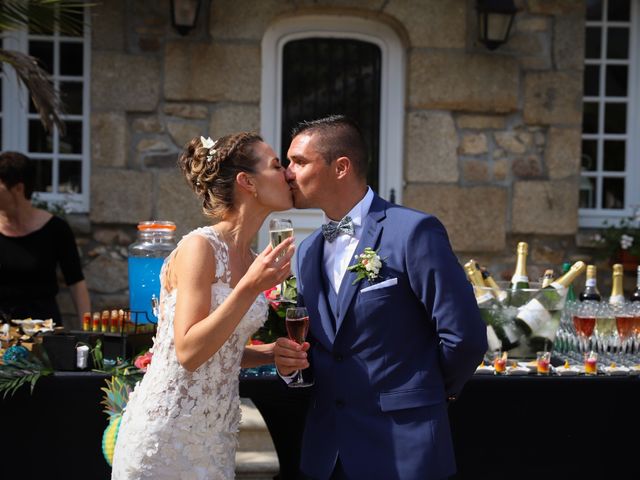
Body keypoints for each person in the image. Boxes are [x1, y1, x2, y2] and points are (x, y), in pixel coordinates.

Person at [274, 115, 488, 480]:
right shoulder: (307, 251)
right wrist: (290, 368)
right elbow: (321, 349)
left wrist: (428, 393)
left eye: (299, 161)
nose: (288, 173)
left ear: (341, 167)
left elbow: (464, 337)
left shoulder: (413, 232)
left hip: (405, 450)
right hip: (328, 455)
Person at [111, 132, 295, 480]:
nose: (287, 173)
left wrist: (269, 353)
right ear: (247, 182)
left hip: (215, 438)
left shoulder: (253, 258)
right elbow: (189, 352)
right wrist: (250, 286)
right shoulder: (200, 247)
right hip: (167, 433)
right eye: (276, 165)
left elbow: (220, 350)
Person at [0, 151, 91, 329]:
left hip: (43, 333)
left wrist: (89, 333)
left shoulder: (56, 229)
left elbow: (76, 283)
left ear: (19, 188)